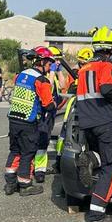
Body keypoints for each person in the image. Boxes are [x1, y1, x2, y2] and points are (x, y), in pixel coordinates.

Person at [75, 26, 112, 222]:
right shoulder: (108, 65)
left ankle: (91, 158)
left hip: (87, 122)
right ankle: (96, 215)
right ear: (110, 48)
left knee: (102, 156)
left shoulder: (84, 68)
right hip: (104, 121)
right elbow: (106, 89)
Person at [5, 48, 56, 196]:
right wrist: (55, 104)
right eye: (49, 64)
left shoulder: (20, 75)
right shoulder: (42, 80)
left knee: (15, 151)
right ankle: (25, 184)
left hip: (14, 119)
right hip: (29, 121)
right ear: (42, 62)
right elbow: (48, 104)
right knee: (28, 153)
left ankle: (10, 183)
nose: (49, 67)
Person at [34, 46, 63, 183]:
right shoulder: (43, 75)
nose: (55, 63)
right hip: (42, 113)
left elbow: (62, 85)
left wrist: (59, 72)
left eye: (57, 60)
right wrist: (51, 72)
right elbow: (48, 87)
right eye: (53, 61)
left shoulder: (53, 73)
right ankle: (37, 169)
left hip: (51, 113)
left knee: (44, 141)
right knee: (40, 140)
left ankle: (40, 168)